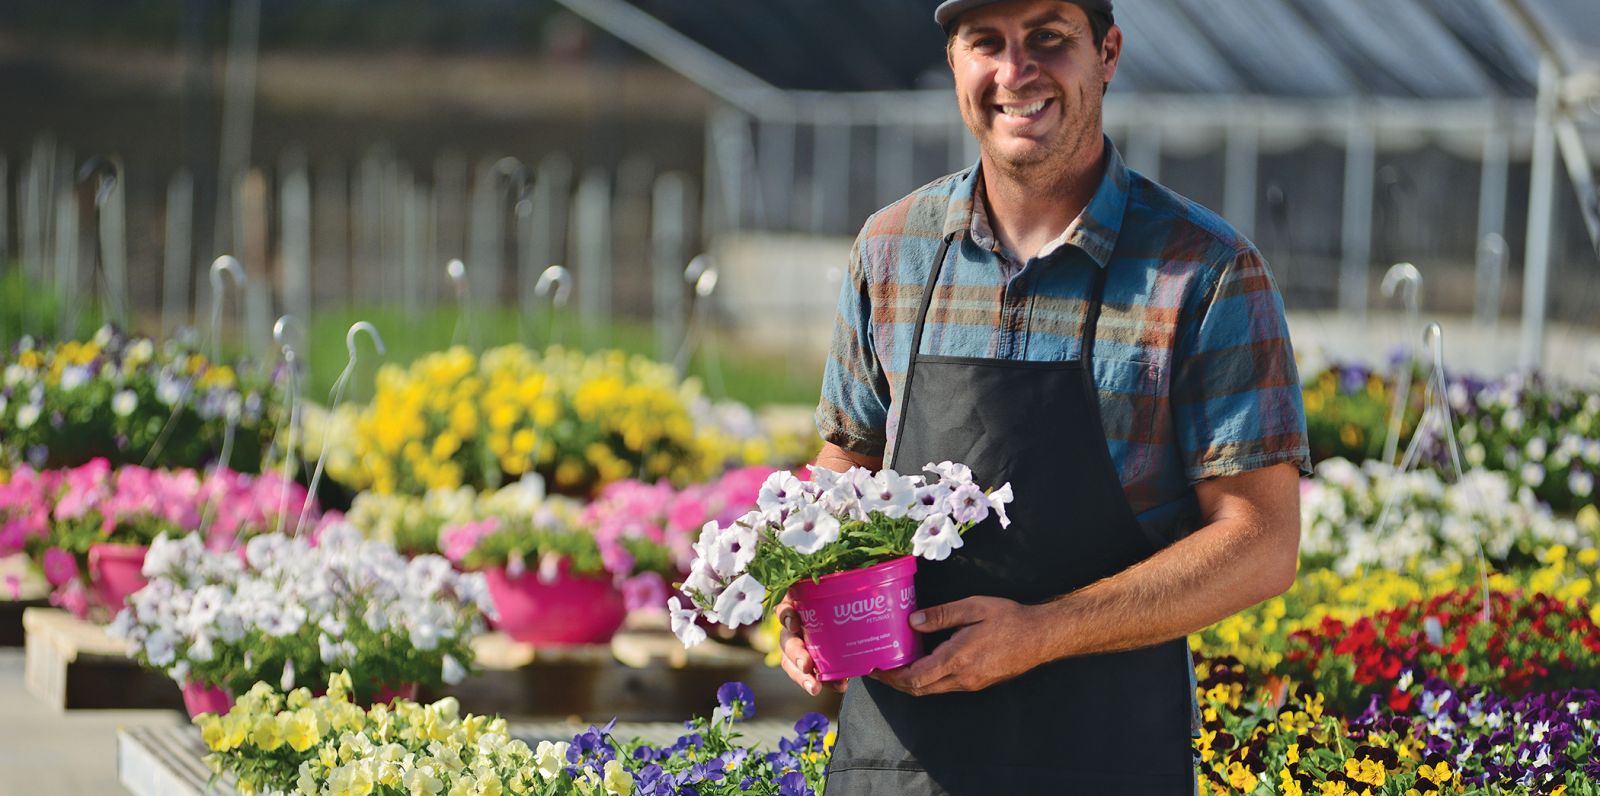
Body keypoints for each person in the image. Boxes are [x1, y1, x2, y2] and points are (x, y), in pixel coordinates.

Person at [776, 0, 1310, 792]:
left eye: (1049, 40)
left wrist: (1043, 633)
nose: (1015, 71)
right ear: (955, 64)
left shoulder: (1203, 272)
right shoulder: (893, 250)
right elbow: (846, 459)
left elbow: (1262, 540)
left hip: (1101, 755)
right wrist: (807, 589)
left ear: (1108, 53)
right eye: (985, 43)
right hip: (900, 761)